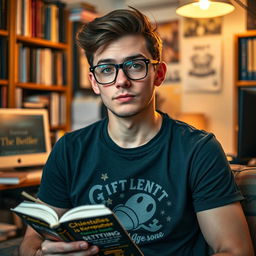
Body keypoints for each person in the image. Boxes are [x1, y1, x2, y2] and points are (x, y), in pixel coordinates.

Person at [19, 7, 254, 256]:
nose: (121, 81)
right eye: (107, 69)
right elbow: (30, 244)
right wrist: (44, 253)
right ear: (94, 82)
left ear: (159, 74)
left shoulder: (198, 150)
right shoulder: (69, 149)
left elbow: (235, 250)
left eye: (134, 65)